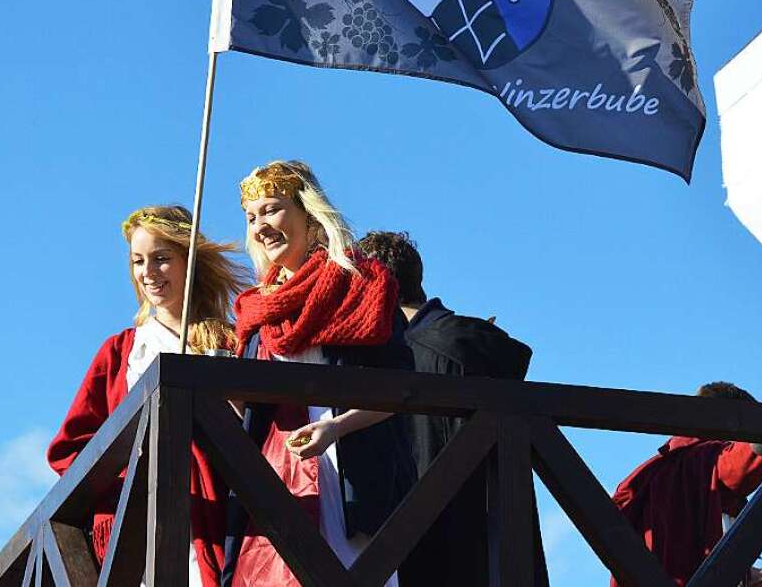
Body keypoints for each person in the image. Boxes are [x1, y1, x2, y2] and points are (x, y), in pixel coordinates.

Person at [222, 162, 415, 587]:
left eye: (271, 210)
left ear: (308, 215)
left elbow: (399, 389)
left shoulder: (362, 286)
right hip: (275, 483)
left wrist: (336, 426)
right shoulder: (255, 312)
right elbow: (252, 416)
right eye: (251, 217)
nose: (260, 227)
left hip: (351, 477)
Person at [47, 205, 249, 587]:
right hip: (141, 531)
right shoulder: (120, 352)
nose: (148, 273)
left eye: (161, 259)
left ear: (190, 262)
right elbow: (68, 451)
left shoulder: (232, 341)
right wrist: (134, 468)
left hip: (225, 517)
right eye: (138, 261)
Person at [357, 230, 548, 587]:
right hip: (504, 559)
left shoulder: (403, 359)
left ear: (376, 289)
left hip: (431, 558)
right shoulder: (475, 345)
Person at [610, 350, 762, 587]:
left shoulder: (659, 472)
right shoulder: (703, 460)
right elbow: (742, 465)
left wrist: (743, 575)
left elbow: (680, 551)